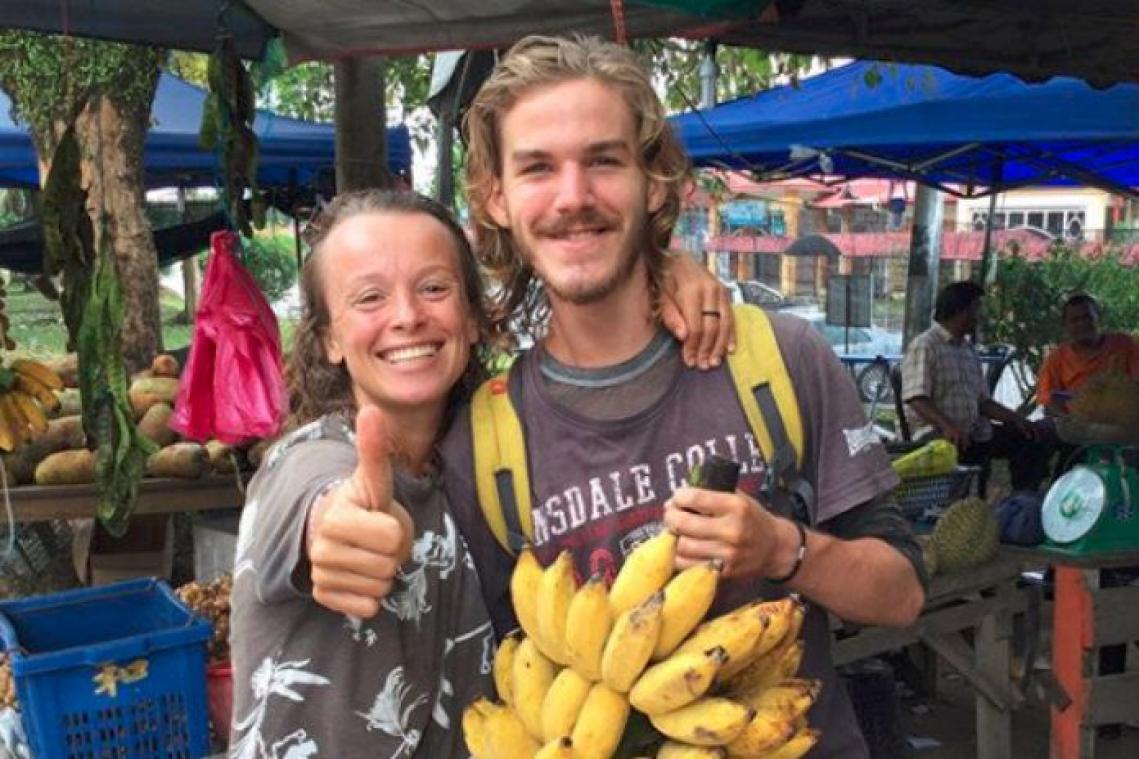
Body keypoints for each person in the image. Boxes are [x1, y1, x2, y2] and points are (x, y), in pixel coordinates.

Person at [439, 35, 926, 758]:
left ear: (656, 181)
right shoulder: (481, 442)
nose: (573, 197)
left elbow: (902, 595)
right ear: (497, 199)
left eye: (602, 160)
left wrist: (782, 548)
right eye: (537, 167)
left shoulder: (779, 360)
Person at [229, 189, 733, 757]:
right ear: (330, 339)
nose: (407, 316)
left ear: (472, 318)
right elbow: (315, 504)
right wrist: (334, 530)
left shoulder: (478, 464)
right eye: (369, 298)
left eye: (434, 288)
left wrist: (670, 271)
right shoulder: (306, 462)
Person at [901, 280, 1050, 491]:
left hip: (973, 433)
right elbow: (916, 397)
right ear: (960, 310)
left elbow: (983, 402)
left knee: (1028, 438)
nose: (980, 316)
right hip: (938, 436)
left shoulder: (968, 350)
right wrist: (947, 426)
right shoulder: (925, 345)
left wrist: (1017, 419)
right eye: (976, 309)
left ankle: (1022, 499)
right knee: (965, 448)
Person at [1037, 293, 1139, 415]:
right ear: (1065, 325)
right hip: (1075, 423)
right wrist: (1069, 421)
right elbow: (1048, 401)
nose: (1082, 324)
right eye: (1075, 320)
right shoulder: (1056, 358)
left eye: (1087, 317)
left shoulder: (1125, 344)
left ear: (1099, 318)